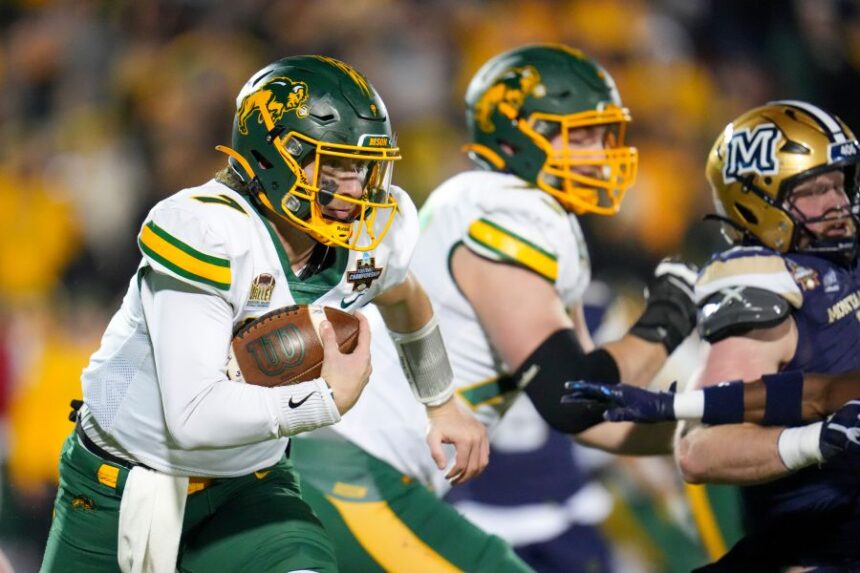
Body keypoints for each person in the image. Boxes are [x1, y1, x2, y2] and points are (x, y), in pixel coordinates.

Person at [40, 55, 487, 573]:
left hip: (251, 487)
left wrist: (440, 401)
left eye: (362, 167)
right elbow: (191, 417)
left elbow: (405, 297)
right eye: (336, 165)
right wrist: (323, 402)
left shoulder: (367, 240)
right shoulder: (208, 231)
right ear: (277, 158)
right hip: (120, 483)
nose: (354, 187)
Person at [290, 43, 699, 573]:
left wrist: (701, 429)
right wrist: (666, 319)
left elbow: (592, 413)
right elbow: (572, 397)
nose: (601, 152)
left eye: (603, 135)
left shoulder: (519, 214)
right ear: (521, 136)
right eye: (582, 135)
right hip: (354, 468)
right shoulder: (504, 211)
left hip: (372, 470)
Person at [567, 100, 860, 570]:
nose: (838, 203)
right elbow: (700, 450)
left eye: (840, 185)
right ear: (760, 199)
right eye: (816, 190)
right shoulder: (766, 289)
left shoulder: (838, 264)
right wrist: (820, 439)